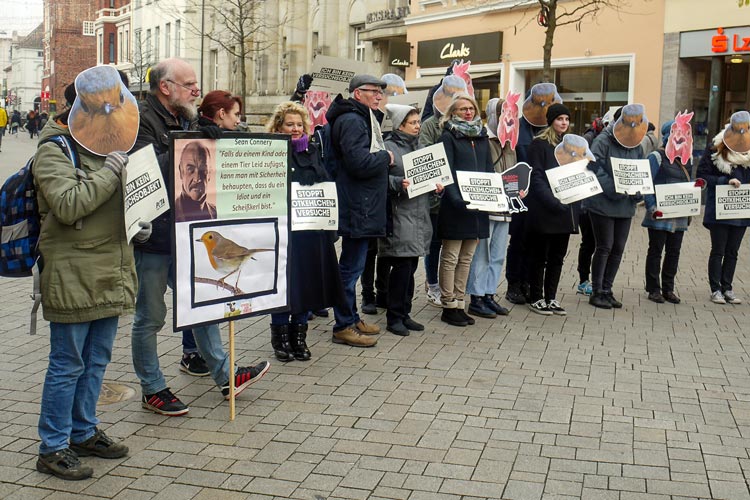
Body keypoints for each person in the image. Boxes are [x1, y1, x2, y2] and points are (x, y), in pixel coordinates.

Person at [131, 58, 270, 416]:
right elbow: (145, 171)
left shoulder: (188, 117)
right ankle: (153, 388)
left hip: (188, 232)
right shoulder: (140, 119)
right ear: (166, 87)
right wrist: (186, 142)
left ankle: (226, 376)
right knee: (150, 316)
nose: (197, 89)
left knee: (204, 305)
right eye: (189, 83)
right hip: (154, 238)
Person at [33, 76, 139, 480]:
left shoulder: (110, 145)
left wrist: (138, 225)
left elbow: (118, 205)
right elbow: (67, 204)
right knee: (67, 364)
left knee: (96, 361)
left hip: (110, 268)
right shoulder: (54, 150)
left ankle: (83, 430)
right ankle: (53, 447)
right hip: (73, 273)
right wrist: (112, 173)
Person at [265, 101, 345, 360]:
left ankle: (299, 338)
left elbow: (325, 181)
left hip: (311, 232)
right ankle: (280, 338)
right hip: (285, 233)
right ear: (279, 126)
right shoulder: (269, 152)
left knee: (307, 284)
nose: (296, 129)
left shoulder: (312, 150)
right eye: (290, 124)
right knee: (284, 287)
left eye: (299, 124)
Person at [324, 74, 394, 347]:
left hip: (363, 203)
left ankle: (351, 318)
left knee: (353, 265)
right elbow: (358, 163)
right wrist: (385, 157)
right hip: (358, 205)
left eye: (380, 92)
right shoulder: (353, 120)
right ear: (357, 94)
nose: (378, 96)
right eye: (373, 91)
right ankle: (343, 325)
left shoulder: (362, 117)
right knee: (350, 269)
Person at [380, 104, 441, 335]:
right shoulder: (388, 148)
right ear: (400, 125)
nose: (418, 126)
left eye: (418, 122)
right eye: (413, 122)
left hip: (419, 214)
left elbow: (432, 177)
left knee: (411, 266)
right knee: (402, 268)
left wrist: (438, 187)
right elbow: (378, 180)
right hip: (399, 215)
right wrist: (397, 184)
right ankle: (394, 317)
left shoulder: (422, 148)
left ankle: (405, 314)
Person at [437, 93, 492, 327]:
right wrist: (458, 200)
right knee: (450, 257)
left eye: (471, 108)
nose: (468, 112)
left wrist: (492, 197)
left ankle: (460, 302)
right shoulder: (448, 136)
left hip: (478, 206)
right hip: (456, 206)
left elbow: (489, 170)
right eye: (462, 109)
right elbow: (445, 170)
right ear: (452, 113)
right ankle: (448, 305)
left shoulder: (481, 136)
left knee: (467, 258)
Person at [583, 105, 645, 309]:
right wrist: (614, 188)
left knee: (618, 248)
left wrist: (638, 191)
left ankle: (607, 290)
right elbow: (593, 168)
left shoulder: (637, 144)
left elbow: (640, 171)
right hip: (603, 203)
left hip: (625, 206)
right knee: (604, 246)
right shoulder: (603, 141)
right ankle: (597, 290)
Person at [524, 104, 579, 315]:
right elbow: (536, 177)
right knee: (540, 257)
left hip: (565, 210)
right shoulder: (539, 144)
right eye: (559, 119)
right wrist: (552, 202)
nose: (564, 122)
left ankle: (551, 297)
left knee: (557, 257)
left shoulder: (571, 146)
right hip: (545, 210)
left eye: (566, 118)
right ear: (551, 121)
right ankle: (536, 297)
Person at [642, 119, 701, 304]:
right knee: (656, 250)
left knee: (674, 252)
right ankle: (653, 288)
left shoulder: (687, 158)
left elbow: (688, 183)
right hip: (660, 213)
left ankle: (668, 288)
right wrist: (652, 207)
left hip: (680, 214)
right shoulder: (656, 157)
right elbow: (646, 183)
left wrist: (698, 188)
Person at [466, 98, 513, 318]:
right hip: (487, 207)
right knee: (481, 255)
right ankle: (476, 297)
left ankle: (489, 294)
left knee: (497, 255)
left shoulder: (510, 143)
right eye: (504, 112)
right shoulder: (482, 138)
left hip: (506, 207)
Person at [697, 111, 750, 305]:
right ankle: (715, 289)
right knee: (718, 250)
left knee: (733, 251)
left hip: (741, 210)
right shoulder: (715, 148)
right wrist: (724, 180)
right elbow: (702, 175)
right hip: (720, 210)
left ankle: (727, 287)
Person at [174, 141, 217, 222]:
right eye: (190, 169)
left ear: (210, 173)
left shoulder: (217, 214)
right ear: (181, 171)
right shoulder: (170, 213)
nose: (197, 179)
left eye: (203, 169)